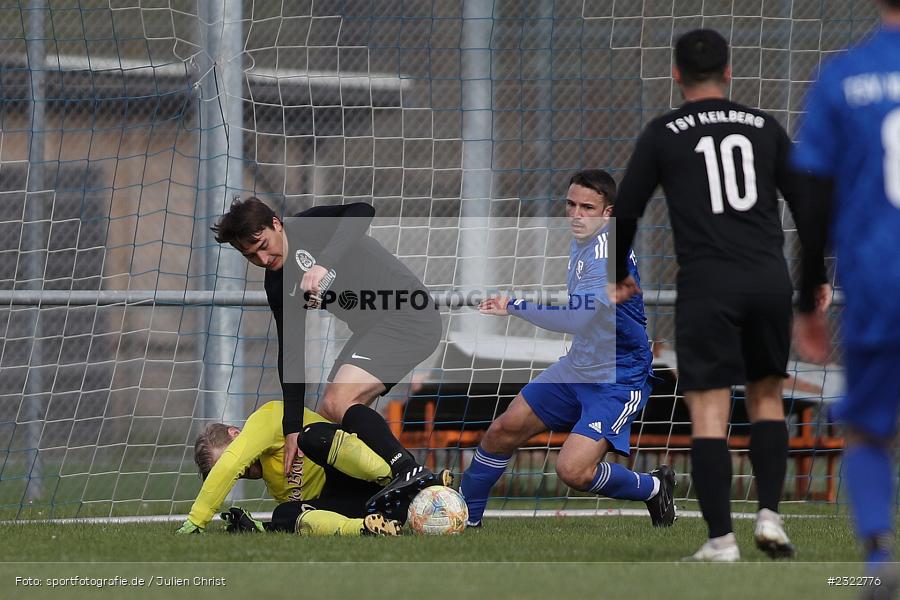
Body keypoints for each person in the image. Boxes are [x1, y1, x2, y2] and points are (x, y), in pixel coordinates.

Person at [610, 29, 830, 561]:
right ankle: (770, 515)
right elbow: (808, 205)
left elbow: (629, 207)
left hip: (708, 283)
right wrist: (813, 280)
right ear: (729, 72)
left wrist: (617, 273)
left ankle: (721, 540)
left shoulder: (664, 132)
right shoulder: (764, 126)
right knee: (767, 399)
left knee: (709, 411)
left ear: (676, 75)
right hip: (767, 279)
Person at [459, 169, 676, 529]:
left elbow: (577, 319)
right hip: (579, 366)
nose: (576, 214)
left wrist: (514, 305)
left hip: (619, 378)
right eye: (571, 204)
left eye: (587, 207)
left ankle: (653, 487)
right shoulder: (586, 239)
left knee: (573, 470)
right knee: (503, 430)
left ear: (607, 213)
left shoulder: (607, 258)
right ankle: (464, 519)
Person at [211, 199, 444, 511]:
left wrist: (322, 264)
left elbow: (362, 211)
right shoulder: (278, 283)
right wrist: (292, 428)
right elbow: (291, 354)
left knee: (338, 401)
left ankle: (408, 471)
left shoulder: (306, 228)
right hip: (374, 329)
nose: (263, 259)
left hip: (408, 315)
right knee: (328, 418)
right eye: (251, 256)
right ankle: (375, 502)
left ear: (276, 224)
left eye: (263, 245)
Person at [792, 1, 900, 592]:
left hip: (878, 278)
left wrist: (807, 294)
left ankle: (879, 557)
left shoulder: (842, 76)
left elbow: (813, 199)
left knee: (868, 427)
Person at [175, 400, 441, 536]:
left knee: (321, 430)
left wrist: (197, 519)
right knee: (284, 513)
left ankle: (404, 473)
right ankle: (367, 528)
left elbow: (232, 464)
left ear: (236, 434)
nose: (240, 472)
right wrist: (260, 527)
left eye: (226, 463)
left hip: (361, 467)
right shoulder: (274, 485)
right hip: (360, 504)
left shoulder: (266, 418)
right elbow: (312, 514)